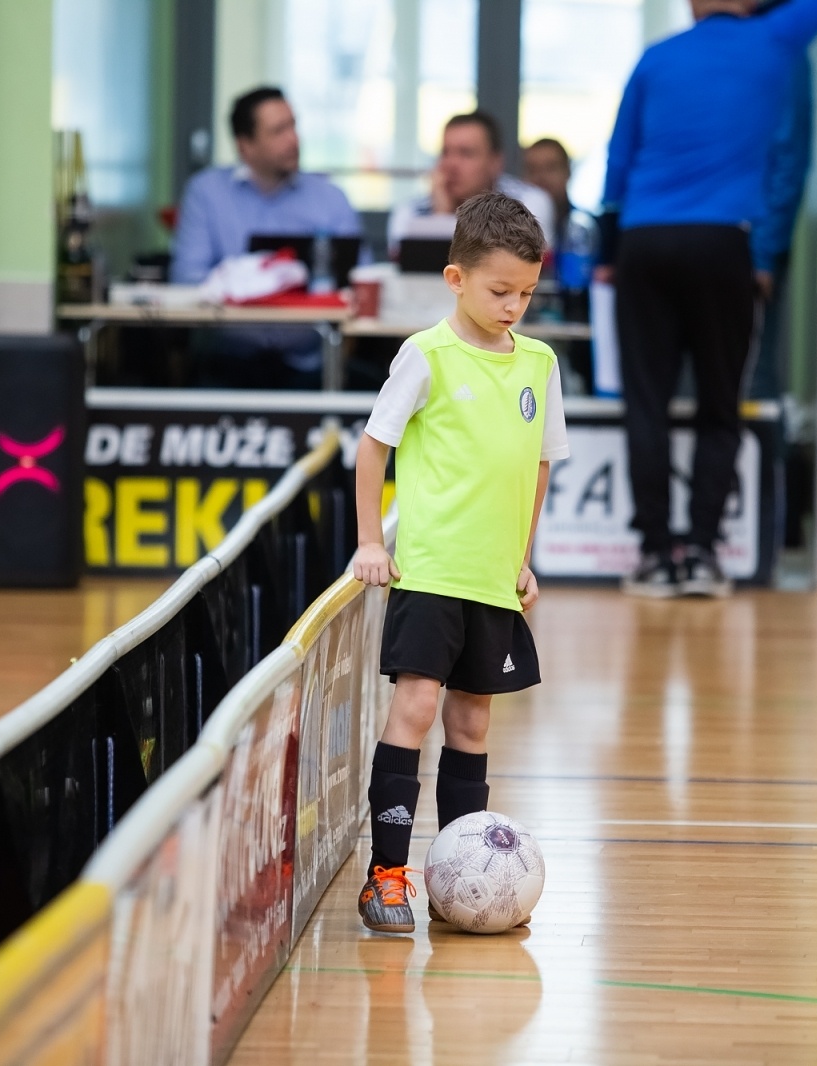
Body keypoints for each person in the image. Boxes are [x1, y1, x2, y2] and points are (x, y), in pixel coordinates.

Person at [351, 192, 569, 933]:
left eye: (528, 293)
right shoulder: (426, 355)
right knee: (414, 709)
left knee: (471, 723)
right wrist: (371, 542)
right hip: (432, 571)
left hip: (491, 581)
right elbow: (373, 446)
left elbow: (538, 466)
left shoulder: (540, 364)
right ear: (456, 278)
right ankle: (386, 877)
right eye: (499, 291)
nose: (514, 307)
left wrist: (521, 557)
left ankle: (456, 878)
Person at [598, 0, 817, 597]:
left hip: (645, 241)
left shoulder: (655, 59)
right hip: (723, 243)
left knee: (647, 405)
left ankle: (657, 555)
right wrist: (763, 259)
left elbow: (617, 160)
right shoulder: (776, 38)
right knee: (719, 405)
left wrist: (608, 253)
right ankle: (705, 555)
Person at [170, 86, 362, 387]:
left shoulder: (330, 198)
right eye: (278, 131)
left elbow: (360, 281)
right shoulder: (207, 193)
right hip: (227, 362)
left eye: (293, 126)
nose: (293, 139)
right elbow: (188, 277)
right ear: (245, 146)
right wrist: (243, 283)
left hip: (311, 366)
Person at [387, 112, 555, 255]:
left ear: (496, 162)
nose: (450, 164)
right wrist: (441, 215)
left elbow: (497, 267)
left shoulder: (528, 203)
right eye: (445, 152)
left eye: (466, 153)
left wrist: (444, 222)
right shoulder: (409, 213)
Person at [748, 56, 814, 402]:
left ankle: (761, 455)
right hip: (726, 241)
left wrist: (763, 254)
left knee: (750, 377)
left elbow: (787, 160)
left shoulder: (778, 52)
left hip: (748, 245)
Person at [522, 137, 573, 240]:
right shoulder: (514, 228)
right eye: (533, 170)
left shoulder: (584, 226)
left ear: (567, 171)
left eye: (550, 168)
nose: (541, 177)